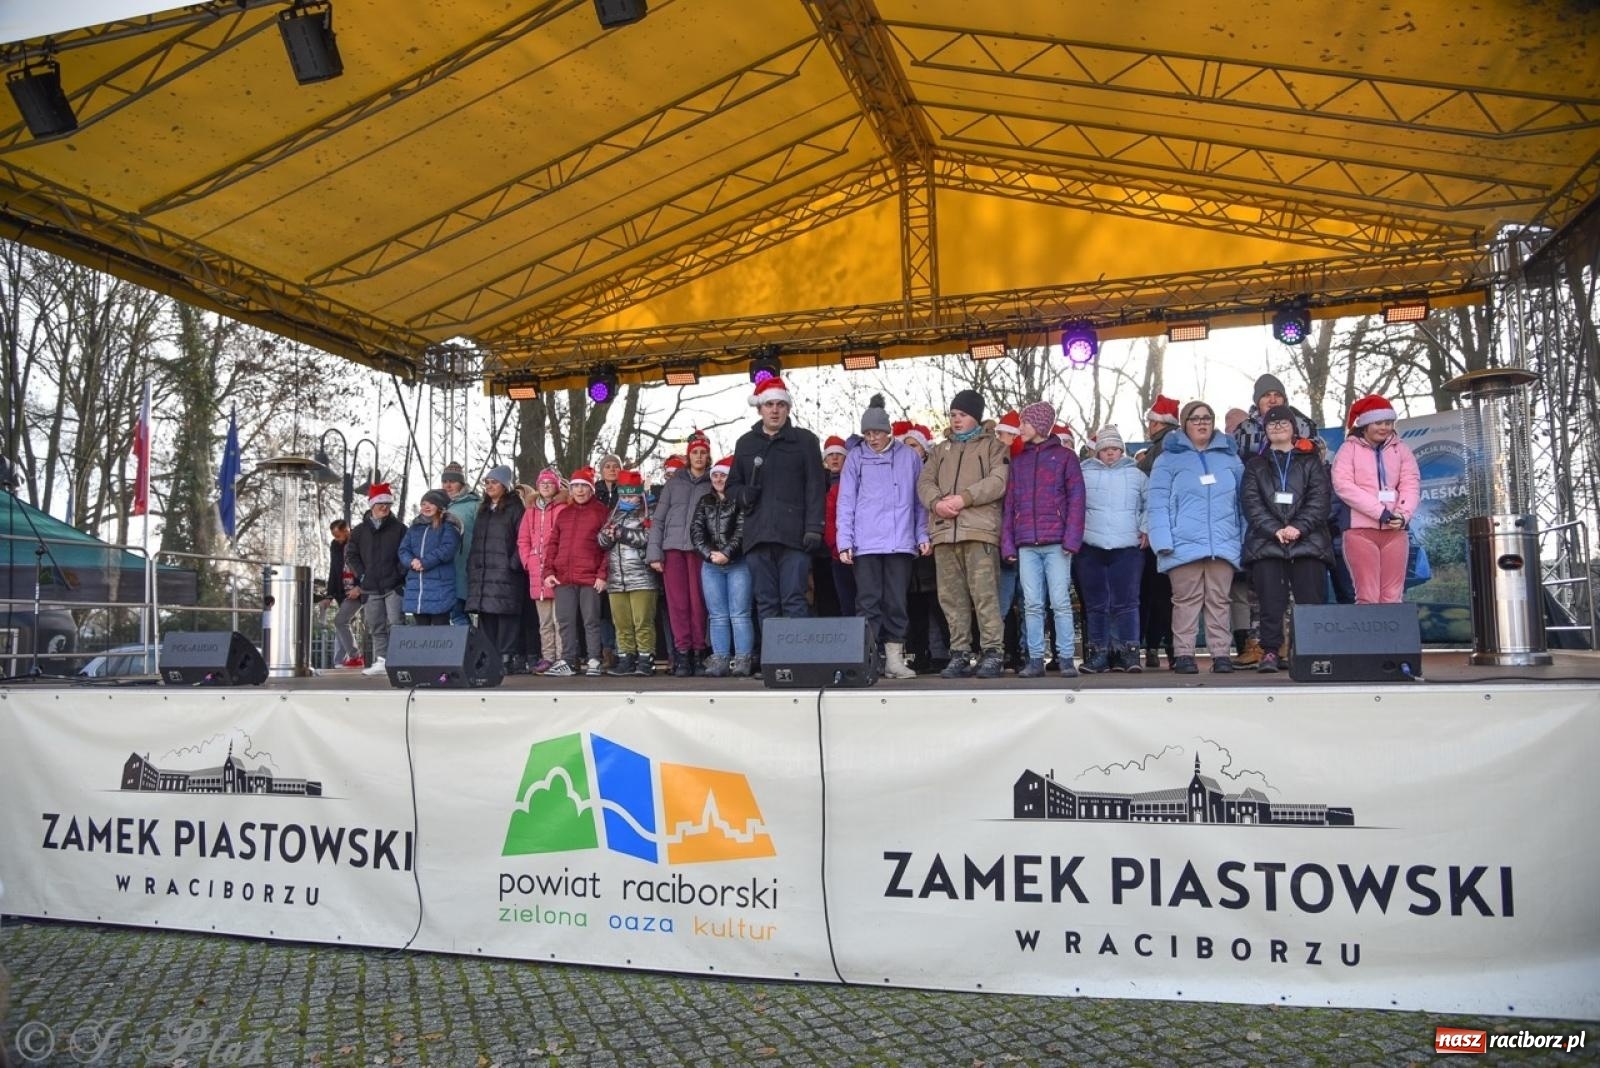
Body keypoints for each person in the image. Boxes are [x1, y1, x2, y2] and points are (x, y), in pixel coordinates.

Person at [918, 388, 1010, 679]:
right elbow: (924, 482)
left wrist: (963, 499)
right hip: (945, 533)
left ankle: (992, 652)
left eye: (963, 414)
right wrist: (936, 503)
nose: (956, 420)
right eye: (953, 414)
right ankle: (959, 653)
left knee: (985, 595)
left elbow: (998, 481)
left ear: (976, 417)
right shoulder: (939, 450)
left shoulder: (994, 446)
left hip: (980, 531)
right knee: (951, 598)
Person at [1147, 401, 1245, 674]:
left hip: (1223, 543)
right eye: (1195, 418)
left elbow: (1243, 503)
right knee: (1185, 602)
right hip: (1182, 544)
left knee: (1219, 601)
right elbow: (1157, 504)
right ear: (1184, 424)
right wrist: (1162, 541)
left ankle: (1221, 654)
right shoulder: (1167, 459)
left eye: (1207, 418)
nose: (1202, 423)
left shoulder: (1230, 458)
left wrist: (1244, 538)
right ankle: (1184, 655)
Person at [836, 395, 929, 680]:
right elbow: (846, 501)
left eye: (876, 432)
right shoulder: (855, 458)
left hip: (900, 542)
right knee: (867, 602)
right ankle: (869, 658)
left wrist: (922, 534)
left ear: (888, 431)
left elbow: (920, 502)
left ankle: (894, 660)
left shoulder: (909, 457)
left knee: (896, 602)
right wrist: (844, 541)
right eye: (867, 433)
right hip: (866, 543)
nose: (872, 438)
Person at [1229, 375, 1318, 666]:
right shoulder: (1244, 431)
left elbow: (1319, 488)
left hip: (1301, 525)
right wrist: (1271, 526)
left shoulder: (1305, 425)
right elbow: (1245, 487)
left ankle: (1295, 647)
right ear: (1257, 401)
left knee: (1299, 593)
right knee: (1262, 592)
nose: (1272, 399)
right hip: (1262, 524)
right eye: (1266, 395)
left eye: (1276, 394)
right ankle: (1263, 646)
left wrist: (1298, 526)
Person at [724, 375, 827, 624]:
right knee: (766, 602)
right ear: (759, 409)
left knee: (795, 600)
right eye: (769, 405)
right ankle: (772, 651)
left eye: (780, 405)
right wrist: (743, 494)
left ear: (788, 409)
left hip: (795, 537)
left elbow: (815, 487)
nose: (774, 410)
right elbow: (731, 487)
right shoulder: (745, 443)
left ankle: (797, 651)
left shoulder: (805, 441)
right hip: (758, 536)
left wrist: (814, 528)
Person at [1240, 406, 1332, 672]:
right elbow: (1251, 503)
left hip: (1308, 541)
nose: (1277, 427)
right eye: (1272, 424)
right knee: (1270, 602)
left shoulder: (1310, 461)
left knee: (1310, 601)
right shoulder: (1255, 465)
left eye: (1283, 422)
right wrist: (1275, 530)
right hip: (1267, 542)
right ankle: (1271, 651)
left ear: (1294, 428)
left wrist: (1298, 527)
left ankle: (1309, 652)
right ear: (1265, 431)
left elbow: (1320, 499)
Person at [1002, 400, 1085, 678]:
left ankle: (1066, 658)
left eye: (1024, 422)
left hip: (1057, 543)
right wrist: (1008, 543)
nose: (1020, 428)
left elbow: (1077, 500)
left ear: (1038, 425)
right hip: (1026, 543)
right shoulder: (1019, 461)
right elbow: (1010, 505)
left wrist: (1071, 539)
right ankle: (1035, 658)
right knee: (1032, 603)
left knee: (1060, 602)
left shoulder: (1065, 458)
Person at [1332, 395, 1421, 605]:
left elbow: (1411, 483)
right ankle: (1369, 629)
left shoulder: (1402, 449)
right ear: (1365, 424)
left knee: (1393, 597)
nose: (1384, 427)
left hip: (1395, 531)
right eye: (1378, 423)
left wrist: (1402, 515)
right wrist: (1380, 512)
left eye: (1388, 423)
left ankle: (1395, 629)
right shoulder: (1348, 449)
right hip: (1360, 531)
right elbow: (1343, 485)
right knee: (1367, 596)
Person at [1076, 424, 1148, 673]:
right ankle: (1099, 654)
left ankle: (1128, 653)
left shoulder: (1137, 475)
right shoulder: (1083, 474)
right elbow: (1073, 504)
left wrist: (1145, 528)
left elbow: (1150, 503)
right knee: (1096, 603)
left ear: (1122, 451)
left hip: (1127, 546)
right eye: (1105, 448)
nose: (1110, 453)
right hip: (1090, 545)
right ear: (1097, 451)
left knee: (1127, 602)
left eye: (1115, 448)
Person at [649, 430, 713, 676]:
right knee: (678, 605)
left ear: (708, 456)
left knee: (699, 603)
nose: (699, 456)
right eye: (695, 452)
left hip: (699, 551)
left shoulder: (712, 482)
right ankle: (682, 653)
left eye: (703, 453)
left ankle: (699, 652)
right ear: (688, 456)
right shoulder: (674, 483)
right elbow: (658, 519)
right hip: (673, 549)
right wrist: (655, 553)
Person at [541, 467, 609, 676]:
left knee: (591, 620)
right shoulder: (564, 514)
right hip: (563, 577)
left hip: (590, 577)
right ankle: (569, 661)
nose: (579, 490)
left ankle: (594, 659)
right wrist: (548, 572)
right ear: (570, 490)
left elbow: (608, 547)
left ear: (591, 489)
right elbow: (553, 544)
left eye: (584, 486)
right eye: (576, 486)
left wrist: (602, 574)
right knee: (565, 621)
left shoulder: (601, 512)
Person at [691, 455, 753, 677]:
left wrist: (727, 553)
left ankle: (743, 658)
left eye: (723, 475)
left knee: (740, 613)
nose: (718, 479)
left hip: (738, 563)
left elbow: (743, 530)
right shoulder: (704, 501)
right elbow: (696, 531)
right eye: (715, 475)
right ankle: (720, 659)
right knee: (717, 615)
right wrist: (709, 554)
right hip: (711, 565)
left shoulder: (740, 500)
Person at [465, 465, 526, 674]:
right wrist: (473, 566)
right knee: (487, 616)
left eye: (494, 482)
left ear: (505, 486)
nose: (489, 486)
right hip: (483, 574)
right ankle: (489, 658)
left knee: (506, 616)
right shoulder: (483, 510)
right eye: (487, 482)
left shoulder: (515, 508)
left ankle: (506, 658)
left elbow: (522, 539)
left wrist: (513, 564)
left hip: (506, 573)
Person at [1138, 394, 1182, 669]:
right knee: (1166, 595)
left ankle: (1166, 647)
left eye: (1151, 422)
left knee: (1159, 595)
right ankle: (1170, 647)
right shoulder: (1168, 445)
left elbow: (1147, 483)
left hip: (1159, 531)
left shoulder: (1162, 449)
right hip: (1171, 529)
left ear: (1158, 423)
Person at [600, 470, 658, 676]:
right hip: (616, 578)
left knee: (642, 621)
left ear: (640, 494)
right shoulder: (613, 513)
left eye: (632, 495)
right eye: (624, 496)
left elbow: (649, 538)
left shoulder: (649, 511)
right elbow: (601, 542)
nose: (627, 499)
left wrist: (621, 533)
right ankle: (626, 658)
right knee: (621, 623)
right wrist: (606, 536)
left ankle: (645, 659)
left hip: (642, 577)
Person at [345, 483, 406, 676]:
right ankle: (382, 661)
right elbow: (351, 555)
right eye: (380, 503)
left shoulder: (399, 529)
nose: (384, 507)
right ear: (372, 504)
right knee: (376, 626)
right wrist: (362, 575)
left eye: (388, 503)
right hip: (370, 587)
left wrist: (398, 574)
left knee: (396, 624)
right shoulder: (359, 531)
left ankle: (398, 661)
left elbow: (406, 554)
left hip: (393, 585)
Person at [517, 468, 567, 673]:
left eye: (550, 483)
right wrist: (528, 561)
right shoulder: (530, 511)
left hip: (558, 570)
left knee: (560, 619)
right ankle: (548, 656)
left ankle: (563, 657)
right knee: (544, 620)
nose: (546, 486)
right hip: (536, 571)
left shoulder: (563, 508)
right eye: (542, 483)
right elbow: (523, 539)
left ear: (557, 486)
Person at [399, 489, 464, 625]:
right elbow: (403, 550)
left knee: (440, 630)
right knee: (421, 631)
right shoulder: (414, 527)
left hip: (440, 587)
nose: (426, 507)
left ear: (440, 506)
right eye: (423, 504)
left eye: (431, 503)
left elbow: (447, 549)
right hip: (416, 588)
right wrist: (411, 562)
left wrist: (425, 562)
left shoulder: (448, 526)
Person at [821, 434, 857, 620]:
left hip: (853, 550)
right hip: (831, 552)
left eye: (839, 454)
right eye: (830, 454)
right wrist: (834, 546)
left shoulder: (855, 480)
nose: (834, 458)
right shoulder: (820, 483)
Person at [439, 462, 479, 626]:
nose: (448, 486)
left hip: (463, 568)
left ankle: (468, 640)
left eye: (452, 481)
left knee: (458, 613)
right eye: (445, 481)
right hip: (441, 570)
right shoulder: (436, 505)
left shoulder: (474, 505)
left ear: (461, 483)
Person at [322, 518, 362, 667]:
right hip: (342, 591)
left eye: (338, 535)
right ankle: (340, 661)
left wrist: (360, 587)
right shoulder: (335, 545)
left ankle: (355, 656)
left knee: (340, 621)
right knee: (342, 624)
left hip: (357, 590)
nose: (336, 539)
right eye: (334, 536)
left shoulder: (358, 541)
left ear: (347, 530)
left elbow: (366, 565)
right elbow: (333, 569)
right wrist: (329, 595)